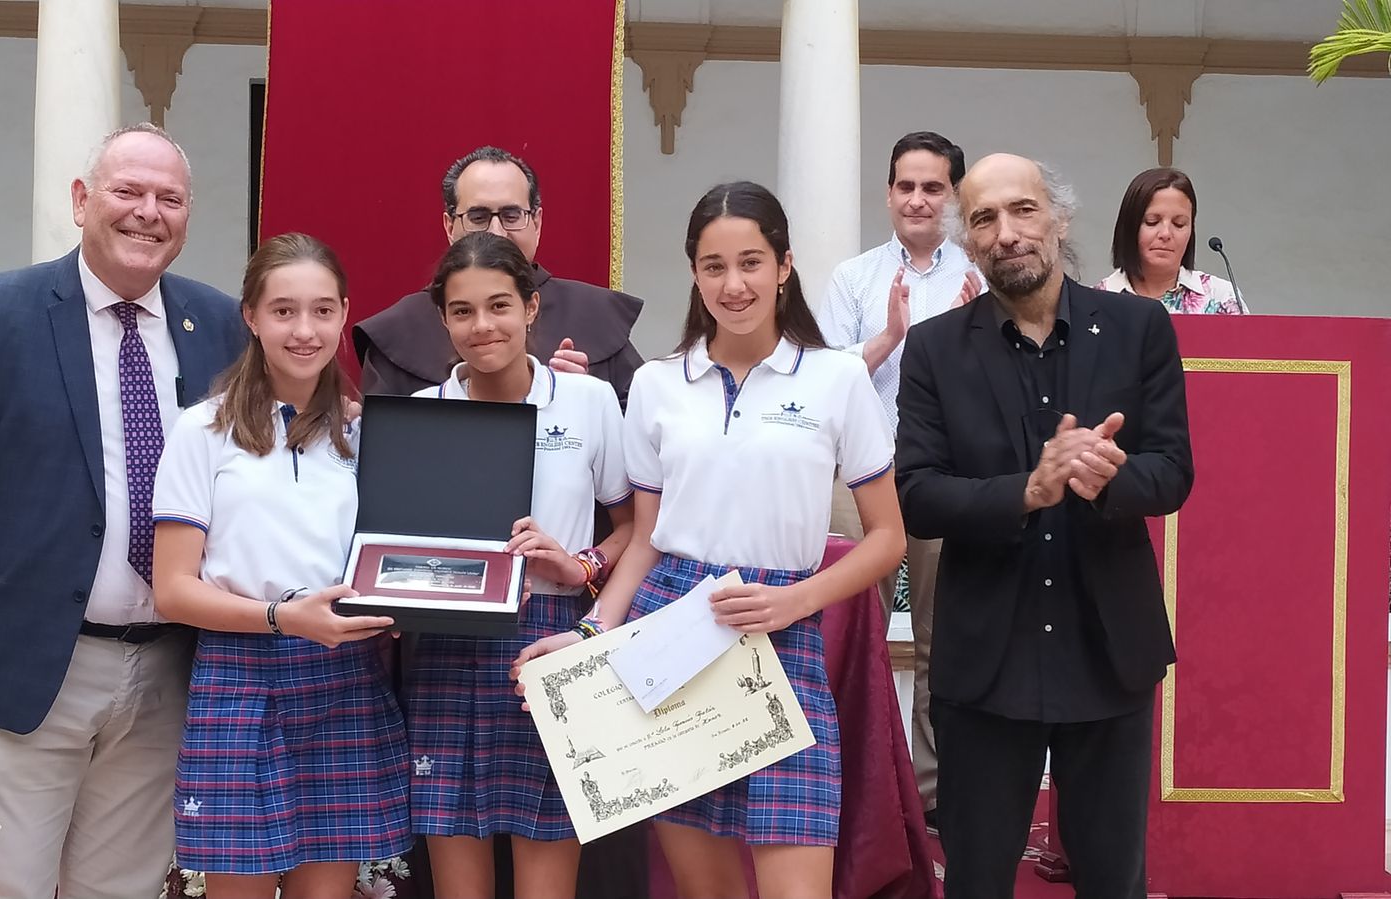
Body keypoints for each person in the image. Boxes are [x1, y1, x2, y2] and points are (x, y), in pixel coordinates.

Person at [0, 123, 247, 899]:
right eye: (127, 191)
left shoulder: (219, 325)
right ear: (81, 200)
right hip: (24, 664)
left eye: (168, 198)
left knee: (125, 889)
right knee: (7, 886)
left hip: (168, 670)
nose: (147, 212)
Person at [518, 181, 906, 899]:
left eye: (752, 262)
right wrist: (593, 630)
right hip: (671, 637)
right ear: (694, 272)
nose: (735, 284)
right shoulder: (662, 386)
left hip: (781, 638)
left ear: (785, 265)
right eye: (714, 265)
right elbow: (645, 541)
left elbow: (888, 539)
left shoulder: (838, 378)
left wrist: (795, 601)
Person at [895, 154, 1193, 897]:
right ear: (967, 240)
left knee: (1112, 877)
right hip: (984, 664)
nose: (1007, 233)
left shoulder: (1137, 326)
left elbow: (1173, 471)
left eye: (1023, 211)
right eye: (986, 219)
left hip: (1108, 653)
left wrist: (1108, 478)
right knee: (978, 879)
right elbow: (919, 494)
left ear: (1058, 220)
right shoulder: (934, 349)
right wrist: (1026, 490)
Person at [152, 233, 410, 899]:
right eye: (284, 310)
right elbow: (173, 590)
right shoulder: (201, 431)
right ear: (251, 316)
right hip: (240, 678)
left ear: (345, 313)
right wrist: (279, 617)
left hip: (345, 674)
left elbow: (396, 560)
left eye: (323, 310)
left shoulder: (367, 434)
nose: (305, 330)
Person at [406, 232, 635, 899]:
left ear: (532, 308)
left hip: (550, 640)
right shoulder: (420, 415)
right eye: (463, 310)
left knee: (547, 872)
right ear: (443, 318)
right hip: (445, 646)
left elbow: (636, 530)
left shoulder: (589, 402)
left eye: (500, 305)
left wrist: (580, 565)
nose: (483, 326)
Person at [814, 129, 980, 825]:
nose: (917, 199)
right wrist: (887, 336)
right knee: (863, 635)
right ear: (887, 194)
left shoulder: (980, 273)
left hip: (947, 475)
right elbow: (822, 379)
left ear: (953, 197)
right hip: (862, 480)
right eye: (906, 186)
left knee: (944, 642)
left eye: (932, 187)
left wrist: (975, 328)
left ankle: (935, 798)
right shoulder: (854, 277)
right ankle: (864, 793)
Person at [353, 146, 644, 404]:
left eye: (511, 215)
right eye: (478, 217)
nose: (497, 232)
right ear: (449, 225)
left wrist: (582, 400)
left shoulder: (595, 315)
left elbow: (639, 442)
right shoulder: (399, 332)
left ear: (537, 222)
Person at [1095, 166, 1249, 314]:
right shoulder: (1095, 302)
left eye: (1179, 224)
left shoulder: (1221, 297)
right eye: (1152, 222)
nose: (1166, 233)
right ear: (1129, 227)